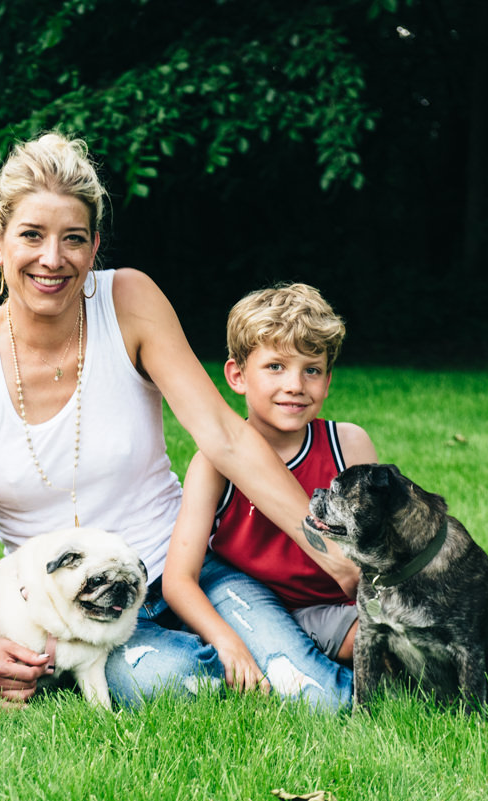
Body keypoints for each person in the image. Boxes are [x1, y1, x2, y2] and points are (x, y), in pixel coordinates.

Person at [0, 132, 361, 709]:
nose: (53, 259)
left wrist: (333, 552)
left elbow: (226, 436)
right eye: (31, 235)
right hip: (72, 612)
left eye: (73, 239)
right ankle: (251, 646)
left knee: (313, 700)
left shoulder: (127, 300)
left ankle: (330, 649)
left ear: (94, 245)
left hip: (182, 572)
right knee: (173, 682)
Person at [162, 283, 372, 707]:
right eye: (275, 367)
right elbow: (178, 580)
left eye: (311, 370)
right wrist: (225, 640)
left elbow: (388, 540)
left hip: (350, 600)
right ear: (237, 375)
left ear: (328, 381)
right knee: (383, 651)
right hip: (278, 612)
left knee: (461, 629)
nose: (295, 384)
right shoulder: (214, 465)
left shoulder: (347, 444)